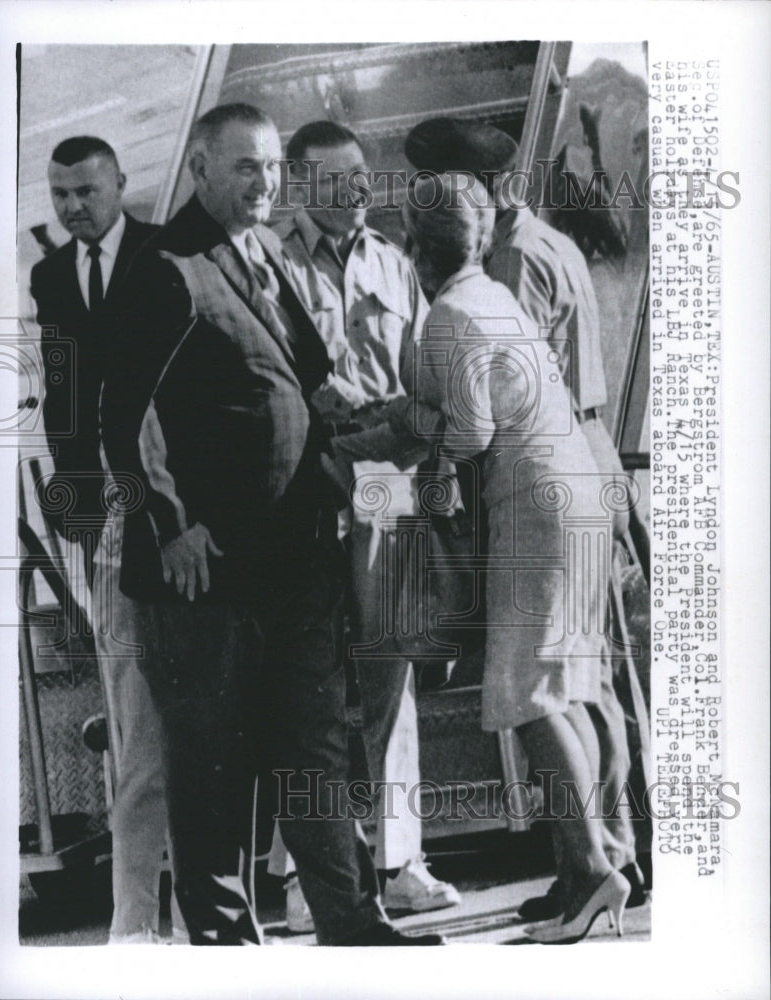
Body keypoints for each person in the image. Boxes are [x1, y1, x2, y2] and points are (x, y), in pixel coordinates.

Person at [99, 102, 444, 946]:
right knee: (212, 767)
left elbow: (311, 385)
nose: (265, 184)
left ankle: (351, 920)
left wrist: (393, 423)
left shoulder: (266, 256)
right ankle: (223, 940)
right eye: (245, 168)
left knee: (316, 748)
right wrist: (170, 526)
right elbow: (122, 417)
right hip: (206, 574)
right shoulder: (162, 267)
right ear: (201, 171)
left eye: (272, 168)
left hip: (296, 558)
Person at [404, 117, 648, 920]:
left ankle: (592, 861)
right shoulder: (539, 257)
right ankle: (610, 858)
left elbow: (473, 425)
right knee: (580, 681)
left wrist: (422, 464)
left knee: (535, 689)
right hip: (582, 475)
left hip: (535, 495)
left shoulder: (501, 272)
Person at [266, 120, 460, 932]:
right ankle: (302, 875)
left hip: (385, 479)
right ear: (300, 186)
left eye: (360, 178)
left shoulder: (391, 261)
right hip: (306, 486)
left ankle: (398, 860)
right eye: (335, 180)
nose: (354, 192)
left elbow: (421, 373)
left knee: (388, 671)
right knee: (307, 683)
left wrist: (437, 472)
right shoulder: (271, 264)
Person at [30, 136, 185, 944]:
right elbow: (61, 402)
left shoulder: (171, 256)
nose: (71, 207)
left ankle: (217, 909)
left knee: (204, 717)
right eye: (60, 194)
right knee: (133, 721)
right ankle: (135, 920)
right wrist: (79, 513)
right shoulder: (52, 277)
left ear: (121, 185)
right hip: (114, 532)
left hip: (185, 514)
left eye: (86, 191)